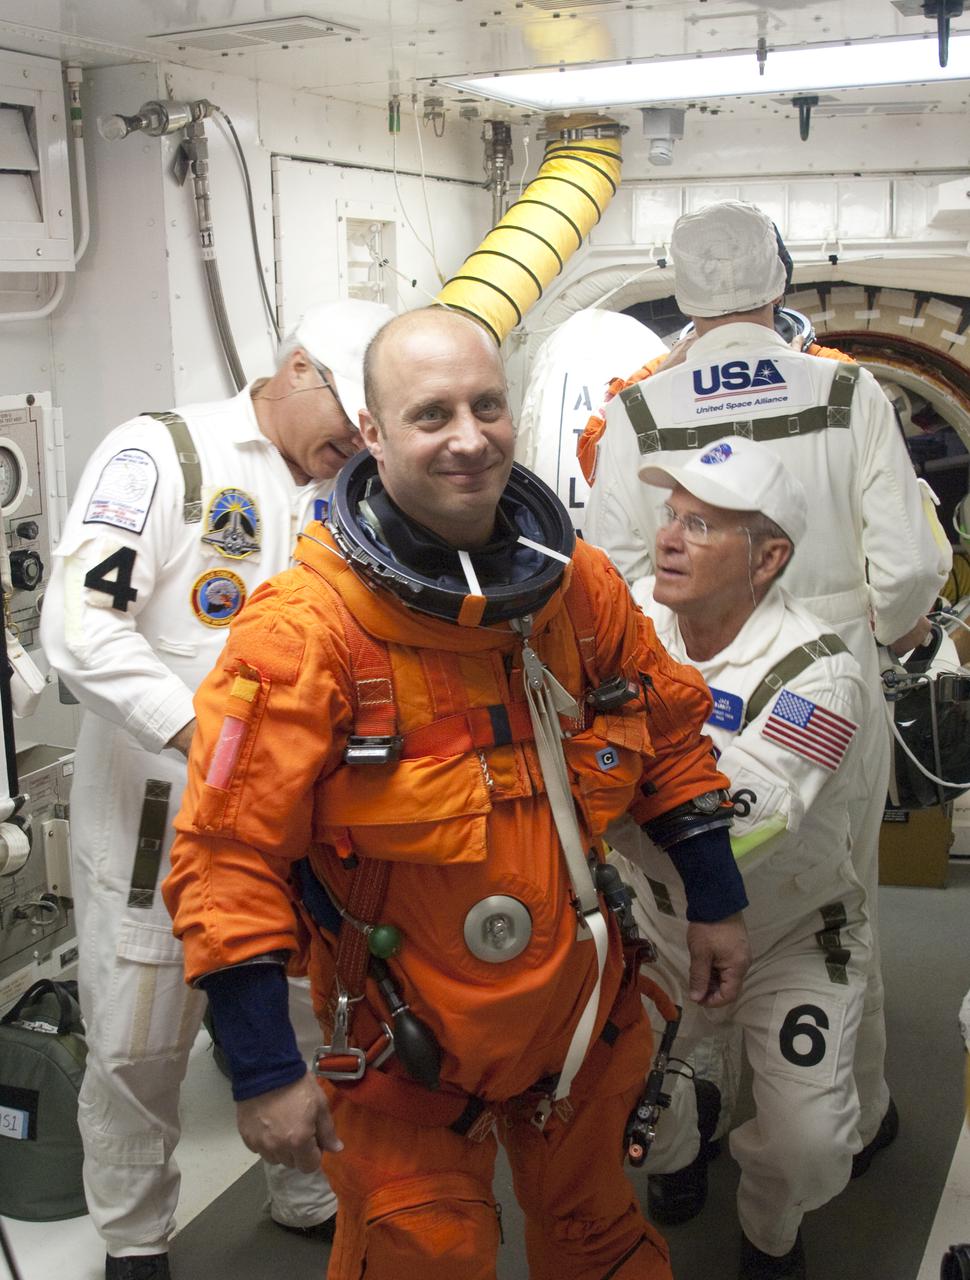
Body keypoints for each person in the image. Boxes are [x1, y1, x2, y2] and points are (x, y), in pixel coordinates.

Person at [162, 305, 753, 1280]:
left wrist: (716, 898)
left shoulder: (575, 587)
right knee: (422, 1258)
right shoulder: (305, 637)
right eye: (431, 413)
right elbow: (228, 855)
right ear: (372, 434)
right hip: (407, 1051)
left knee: (602, 1241)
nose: (468, 436)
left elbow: (667, 722)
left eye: (487, 405)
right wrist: (265, 1065)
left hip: (579, 1021)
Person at [585, 200, 951, 1173]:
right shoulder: (843, 392)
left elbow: (611, 580)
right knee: (834, 901)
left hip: (679, 692)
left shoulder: (639, 408)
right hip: (825, 690)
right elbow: (910, 567)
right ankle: (853, 1109)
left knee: (675, 898)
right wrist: (885, 631)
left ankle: (687, 1108)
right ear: (775, 281)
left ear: (682, 296)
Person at [40, 298, 394, 1280]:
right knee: (137, 1050)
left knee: (308, 1011)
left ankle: (302, 1188)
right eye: (348, 418)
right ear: (295, 368)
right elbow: (78, 629)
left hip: (305, 824)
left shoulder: (351, 493)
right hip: (162, 815)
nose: (354, 445)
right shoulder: (165, 457)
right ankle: (136, 1244)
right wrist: (218, 740)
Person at [609, 436, 872, 1279]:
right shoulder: (631, 628)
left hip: (789, 934)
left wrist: (598, 798)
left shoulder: (818, 672)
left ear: (769, 558)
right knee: (640, 1127)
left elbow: (736, 829)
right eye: (672, 516)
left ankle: (770, 1234)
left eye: (703, 525)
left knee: (809, 1147)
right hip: (657, 924)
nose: (670, 538)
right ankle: (686, 1145)